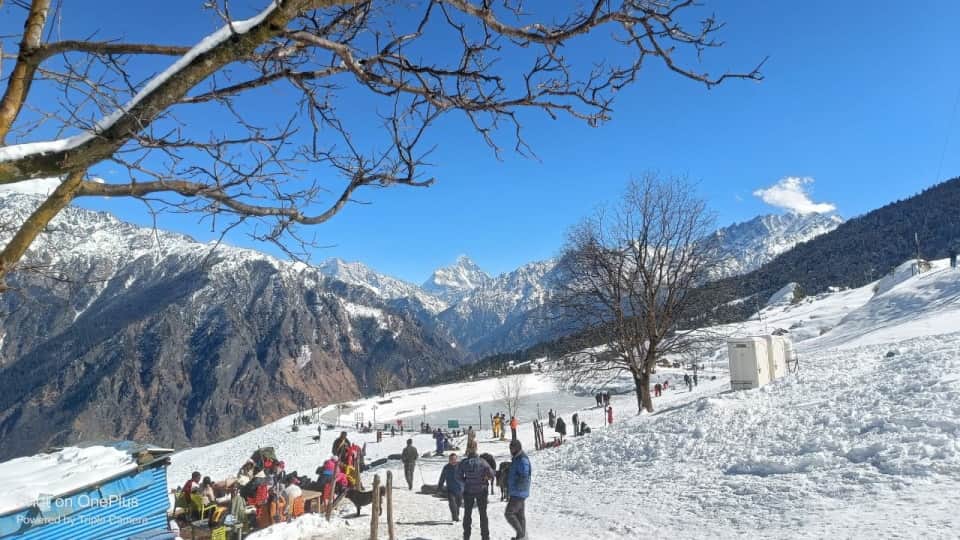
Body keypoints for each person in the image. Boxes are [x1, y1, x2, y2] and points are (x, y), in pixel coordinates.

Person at [457, 440, 495, 540]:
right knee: (483, 515)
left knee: (467, 514)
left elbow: (458, 476)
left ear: (468, 449)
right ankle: (485, 537)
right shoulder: (483, 462)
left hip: (468, 490)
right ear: (476, 448)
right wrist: (485, 478)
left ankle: (466, 536)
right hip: (481, 490)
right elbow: (491, 474)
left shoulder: (464, 463)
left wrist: (466, 481)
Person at [505, 439, 531, 540]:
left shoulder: (521, 459)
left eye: (512, 448)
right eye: (510, 448)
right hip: (518, 492)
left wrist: (517, 486)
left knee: (509, 513)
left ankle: (521, 535)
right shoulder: (517, 458)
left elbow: (524, 475)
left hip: (518, 492)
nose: (510, 450)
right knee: (519, 515)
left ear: (517, 447)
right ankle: (522, 537)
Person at [437, 453, 464, 522]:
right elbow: (442, 478)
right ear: (449, 460)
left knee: (458, 505)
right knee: (452, 503)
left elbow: (467, 475)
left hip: (460, 489)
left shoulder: (460, 466)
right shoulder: (446, 467)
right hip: (450, 489)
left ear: (456, 459)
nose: (453, 461)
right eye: (451, 459)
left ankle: (456, 515)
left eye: (454, 459)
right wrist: (439, 487)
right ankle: (455, 517)